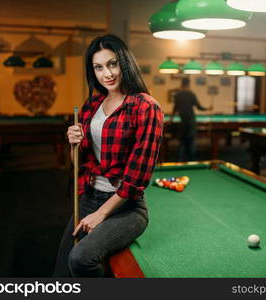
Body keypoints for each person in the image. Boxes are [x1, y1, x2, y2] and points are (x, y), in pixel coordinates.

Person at [53, 34, 164, 277]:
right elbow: (80, 165)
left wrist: (101, 214)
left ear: (124, 63)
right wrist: (75, 144)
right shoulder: (92, 105)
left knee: (81, 258)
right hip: (89, 197)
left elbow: (137, 178)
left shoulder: (146, 106)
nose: (107, 74)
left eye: (112, 64)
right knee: (61, 273)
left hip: (126, 208)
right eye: (99, 67)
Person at [170, 77, 211, 161]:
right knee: (191, 142)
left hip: (183, 122)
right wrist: (208, 108)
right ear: (188, 84)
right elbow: (199, 107)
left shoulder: (177, 95)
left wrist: (171, 119)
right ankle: (191, 161)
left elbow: (175, 108)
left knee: (181, 142)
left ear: (181, 84)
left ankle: (179, 160)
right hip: (191, 122)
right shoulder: (191, 94)